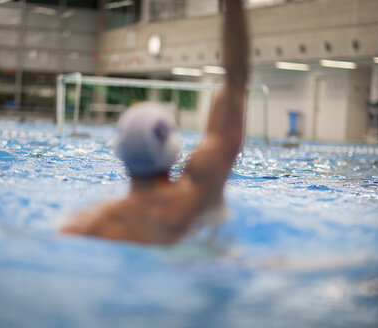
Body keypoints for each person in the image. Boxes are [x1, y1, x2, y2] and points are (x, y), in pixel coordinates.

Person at [60, 0, 248, 245]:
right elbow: (236, 81)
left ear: (121, 154)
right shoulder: (195, 196)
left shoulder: (93, 224)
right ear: (171, 149)